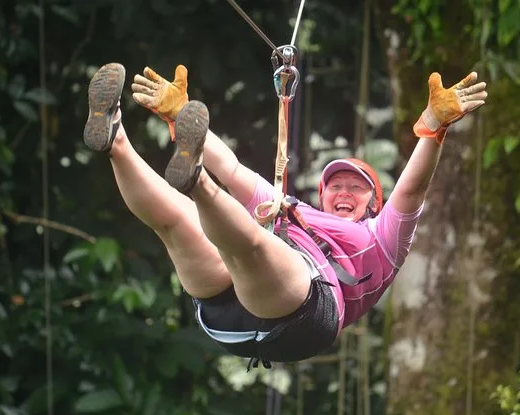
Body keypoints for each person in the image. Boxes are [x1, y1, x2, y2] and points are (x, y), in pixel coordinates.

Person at [83, 62, 487, 368]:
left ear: (374, 205)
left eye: (357, 188)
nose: (345, 193)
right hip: (227, 315)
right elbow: (233, 170)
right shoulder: (291, 211)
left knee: (254, 245)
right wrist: (179, 112)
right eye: (336, 186)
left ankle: (197, 181)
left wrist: (434, 127)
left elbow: (411, 191)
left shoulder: (383, 240)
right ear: (322, 196)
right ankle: (115, 140)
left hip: (302, 321)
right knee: (177, 221)